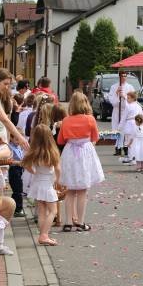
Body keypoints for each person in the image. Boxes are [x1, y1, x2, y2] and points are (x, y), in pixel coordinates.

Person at [57, 92, 104, 232]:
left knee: (70, 190)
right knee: (82, 190)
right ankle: (81, 222)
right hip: (85, 152)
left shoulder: (66, 120)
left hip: (70, 151)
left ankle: (68, 222)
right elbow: (95, 137)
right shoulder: (90, 119)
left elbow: (60, 140)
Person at [22, 124, 61, 246]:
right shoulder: (52, 152)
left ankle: (43, 234)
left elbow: (27, 166)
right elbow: (58, 169)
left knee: (42, 211)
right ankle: (44, 235)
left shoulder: (33, 152)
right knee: (53, 211)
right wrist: (58, 180)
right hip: (47, 184)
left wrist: (35, 172)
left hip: (37, 183)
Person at [108, 71, 135, 156]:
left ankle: (126, 148)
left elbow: (134, 99)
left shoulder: (130, 87)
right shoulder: (113, 87)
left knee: (126, 130)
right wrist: (116, 93)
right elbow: (111, 99)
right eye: (122, 76)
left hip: (126, 111)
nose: (123, 77)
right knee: (117, 129)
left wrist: (124, 96)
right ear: (119, 77)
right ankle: (118, 148)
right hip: (117, 110)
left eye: (125, 76)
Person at [118, 91, 143, 164]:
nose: (127, 100)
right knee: (135, 142)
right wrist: (142, 126)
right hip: (137, 125)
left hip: (129, 125)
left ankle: (132, 158)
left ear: (132, 99)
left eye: (128, 98)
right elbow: (142, 117)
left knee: (129, 142)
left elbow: (123, 118)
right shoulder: (139, 106)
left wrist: (119, 127)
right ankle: (134, 158)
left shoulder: (128, 106)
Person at [8, 129, 26, 217]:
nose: (18, 142)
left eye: (20, 139)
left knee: (19, 189)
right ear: (11, 138)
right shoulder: (9, 147)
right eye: (16, 139)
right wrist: (19, 162)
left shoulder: (19, 147)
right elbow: (9, 161)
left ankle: (13, 207)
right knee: (18, 190)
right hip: (14, 170)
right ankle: (18, 209)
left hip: (19, 169)